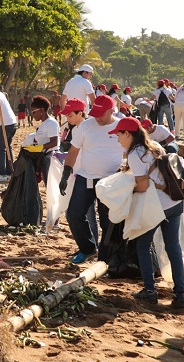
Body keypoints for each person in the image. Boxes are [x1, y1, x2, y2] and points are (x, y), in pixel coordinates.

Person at [110, 117, 184, 307]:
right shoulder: (154, 146)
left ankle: (150, 290)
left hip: (156, 206)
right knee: (173, 248)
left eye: (119, 135)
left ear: (128, 134)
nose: (118, 139)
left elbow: (143, 186)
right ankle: (180, 294)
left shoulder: (135, 154)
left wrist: (127, 190)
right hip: (174, 203)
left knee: (143, 245)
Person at [59, 95, 122, 264]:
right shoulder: (85, 126)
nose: (97, 118)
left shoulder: (120, 126)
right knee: (74, 214)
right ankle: (87, 248)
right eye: (95, 113)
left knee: (107, 220)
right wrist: (65, 174)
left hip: (111, 181)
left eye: (101, 114)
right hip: (86, 177)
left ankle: (107, 256)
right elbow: (73, 151)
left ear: (111, 111)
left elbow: (132, 149)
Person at [21, 95, 59, 185]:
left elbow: (55, 142)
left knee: (50, 185)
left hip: (49, 157)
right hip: (43, 156)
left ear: (41, 110)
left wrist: (39, 147)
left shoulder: (51, 123)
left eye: (34, 112)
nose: (32, 115)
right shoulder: (43, 124)